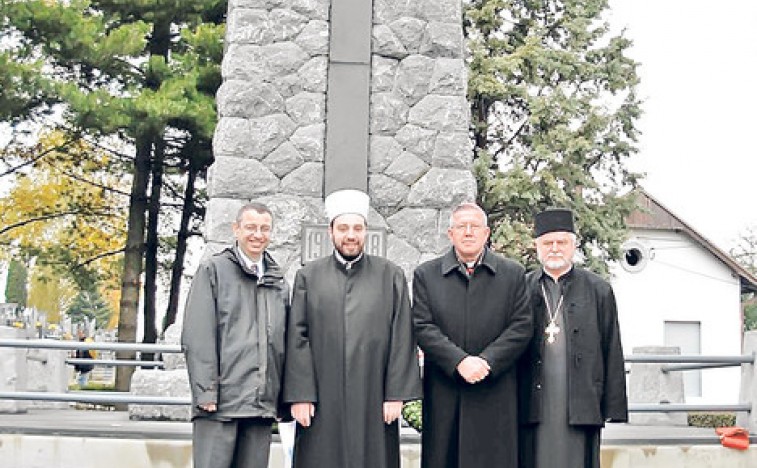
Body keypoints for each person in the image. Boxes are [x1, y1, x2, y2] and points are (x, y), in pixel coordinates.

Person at [283, 189, 422, 468]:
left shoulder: (390, 275)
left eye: (357, 228)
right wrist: (300, 395)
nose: (350, 235)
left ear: (365, 231)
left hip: (374, 393)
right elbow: (297, 337)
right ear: (331, 232)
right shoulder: (308, 277)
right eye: (343, 228)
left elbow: (402, 334)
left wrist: (395, 393)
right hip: (322, 395)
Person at [412, 202, 533, 468]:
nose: (468, 232)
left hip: (496, 391)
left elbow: (521, 326)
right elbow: (423, 325)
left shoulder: (513, 274)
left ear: (486, 233)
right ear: (450, 234)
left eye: (474, 226)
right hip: (445, 390)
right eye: (461, 227)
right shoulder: (426, 275)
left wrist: (487, 361)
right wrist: (458, 361)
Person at [181, 202, 290, 468]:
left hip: (261, 406)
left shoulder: (278, 281)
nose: (257, 234)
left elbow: (284, 341)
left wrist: (282, 398)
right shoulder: (213, 270)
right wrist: (206, 391)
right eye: (251, 227)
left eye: (264, 229)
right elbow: (198, 336)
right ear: (236, 229)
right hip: (220, 405)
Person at [518, 207, 628, 468]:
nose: (554, 248)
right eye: (548, 242)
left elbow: (611, 346)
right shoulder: (522, 287)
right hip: (533, 399)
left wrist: (613, 406)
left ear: (573, 245)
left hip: (581, 399)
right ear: (537, 246)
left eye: (561, 242)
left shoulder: (598, 289)